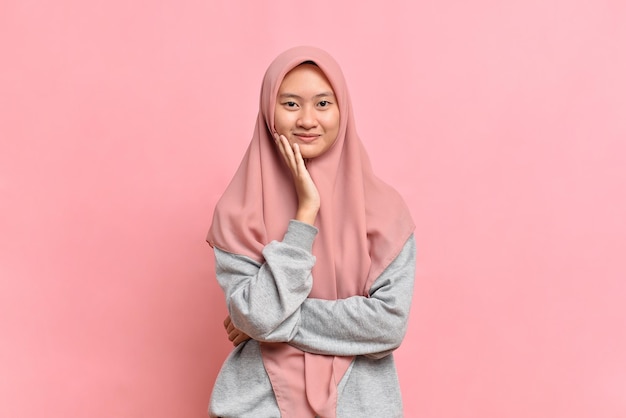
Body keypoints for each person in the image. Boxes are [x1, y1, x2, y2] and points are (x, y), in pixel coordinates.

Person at [206, 46, 416, 418]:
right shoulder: (238, 211)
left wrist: (275, 323)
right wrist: (305, 215)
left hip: (360, 406)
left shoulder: (385, 211)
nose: (307, 120)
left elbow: (388, 325)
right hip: (256, 407)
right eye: (290, 104)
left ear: (343, 111)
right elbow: (256, 318)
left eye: (322, 104)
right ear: (268, 111)